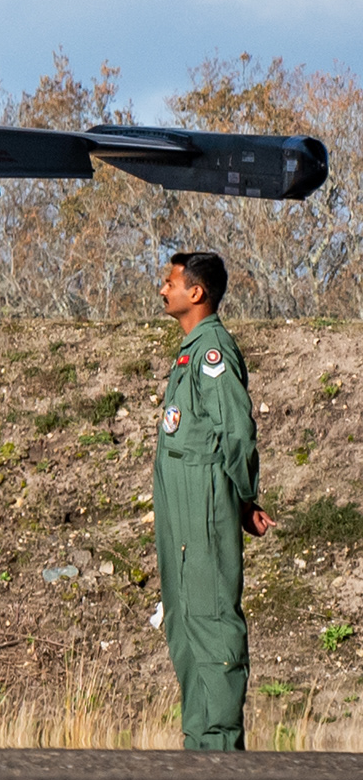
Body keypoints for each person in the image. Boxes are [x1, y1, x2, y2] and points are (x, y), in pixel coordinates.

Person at [151, 250, 272, 752]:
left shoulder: (212, 352)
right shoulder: (189, 352)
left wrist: (244, 500)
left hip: (203, 501)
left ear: (196, 292)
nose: (163, 289)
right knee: (183, 617)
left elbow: (237, 431)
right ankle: (200, 740)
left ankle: (220, 745)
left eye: (171, 282)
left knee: (212, 616)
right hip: (180, 502)